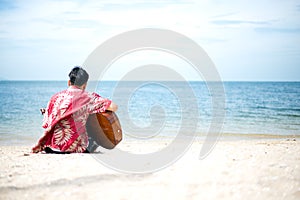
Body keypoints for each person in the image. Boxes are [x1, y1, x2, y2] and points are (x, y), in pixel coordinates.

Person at [32, 66, 118, 153]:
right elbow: (113, 107)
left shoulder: (54, 98)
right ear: (84, 85)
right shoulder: (88, 97)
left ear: (69, 82)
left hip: (50, 146)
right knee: (91, 122)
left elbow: (47, 124)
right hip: (74, 148)